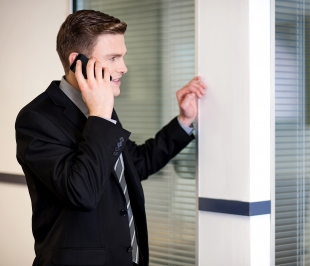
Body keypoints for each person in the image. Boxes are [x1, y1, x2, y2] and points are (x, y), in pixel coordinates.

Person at [15, 10, 206, 266]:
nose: (124, 67)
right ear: (78, 62)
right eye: (113, 58)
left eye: (122, 57)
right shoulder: (37, 119)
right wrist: (101, 115)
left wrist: (184, 120)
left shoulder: (99, 108)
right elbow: (81, 192)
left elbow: (135, 164)